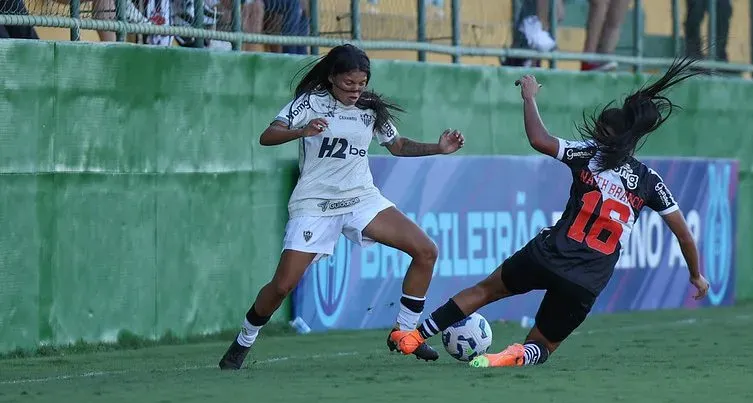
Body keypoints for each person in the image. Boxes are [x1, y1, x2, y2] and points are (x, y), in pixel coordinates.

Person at [389, 57, 711, 368]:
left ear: (601, 129)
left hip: (549, 254)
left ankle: (414, 336)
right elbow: (683, 234)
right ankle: (507, 356)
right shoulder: (649, 182)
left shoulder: (589, 154)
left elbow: (538, 139)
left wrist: (529, 98)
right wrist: (695, 274)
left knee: (484, 291)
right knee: (542, 344)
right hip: (587, 280)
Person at [219, 44, 465, 370]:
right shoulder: (310, 102)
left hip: (361, 198)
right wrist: (301, 131)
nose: (355, 90)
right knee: (282, 286)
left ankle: (404, 332)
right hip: (315, 203)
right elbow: (268, 135)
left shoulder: (369, 109)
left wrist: (439, 147)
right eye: (349, 83)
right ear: (333, 77)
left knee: (426, 250)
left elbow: (398, 146)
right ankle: (245, 339)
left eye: (361, 84)